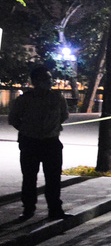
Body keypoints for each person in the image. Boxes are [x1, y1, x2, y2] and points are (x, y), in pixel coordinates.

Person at [8, 65, 70, 222]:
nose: (48, 82)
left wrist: (51, 128)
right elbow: (13, 119)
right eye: (45, 79)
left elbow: (64, 116)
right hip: (30, 143)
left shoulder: (57, 98)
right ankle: (28, 209)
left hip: (51, 142)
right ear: (35, 81)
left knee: (54, 178)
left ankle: (55, 209)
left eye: (49, 79)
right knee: (29, 178)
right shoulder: (25, 100)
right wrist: (28, 130)